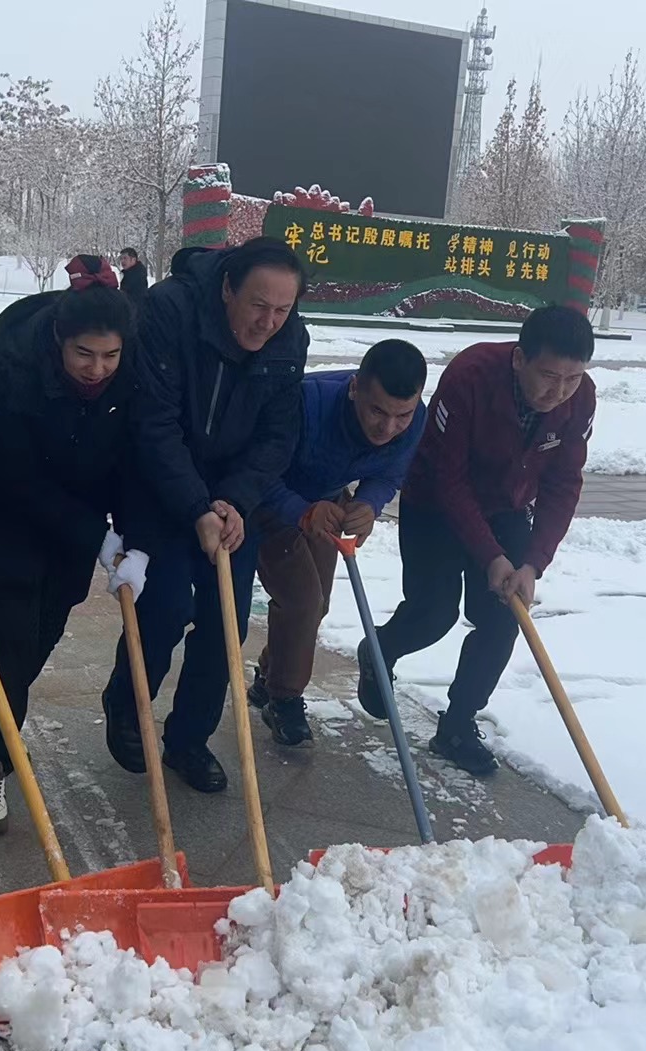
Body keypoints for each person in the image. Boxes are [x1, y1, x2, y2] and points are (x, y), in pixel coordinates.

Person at [101, 236, 308, 793]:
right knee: (165, 605)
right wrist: (195, 506)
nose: (269, 322)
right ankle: (127, 704)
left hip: (231, 495)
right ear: (226, 289)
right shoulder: (169, 309)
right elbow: (154, 421)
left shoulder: (290, 338)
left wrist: (234, 500)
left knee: (225, 619)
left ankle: (189, 739)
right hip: (157, 479)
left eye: (282, 310)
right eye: (258, 305)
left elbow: (278, 436)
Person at [358, 305, 597, 777]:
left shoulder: (580, 398)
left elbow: (564, 482)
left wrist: (533, 562)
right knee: (434, 612)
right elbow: (450, 478)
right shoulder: (470, 375)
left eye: (572, 379)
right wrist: (490, 556)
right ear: (520, 359)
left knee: (505, 616)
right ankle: (380, 650)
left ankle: (458, 723)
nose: (559, 392)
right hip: (435, 501)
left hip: (507, 505)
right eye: (549, 376)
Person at [0, 254, 140, 833]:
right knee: (12, 634)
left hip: (76, 526)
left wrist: (129, 535)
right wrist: (98, 535)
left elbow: (132, 461)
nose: (97, 368)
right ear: (61, 339)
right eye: (84, 354)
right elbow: (13, 472)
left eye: (110, 355)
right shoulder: (16, 371)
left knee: (43, 632)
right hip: (10, 516)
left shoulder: (129, 379)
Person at [246, 340, 427, 745]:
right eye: (377, 411)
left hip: (327, 502)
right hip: (269, 503)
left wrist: (369, 503)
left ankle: (268, 676)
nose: (388, 428)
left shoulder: (415, 419)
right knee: (302, 600)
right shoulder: (305, 405)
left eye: (402, 415)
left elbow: (389, 473)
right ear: (354, 387)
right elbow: (255, 472)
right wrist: (299, 510)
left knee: (318, 604)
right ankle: (284, 699)